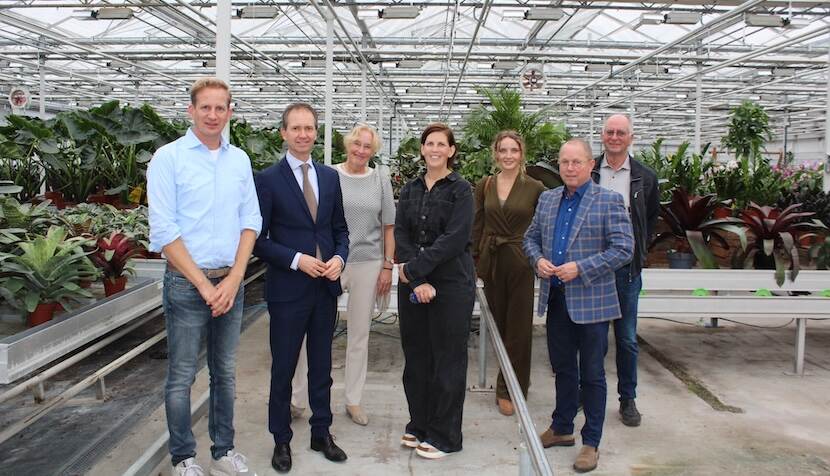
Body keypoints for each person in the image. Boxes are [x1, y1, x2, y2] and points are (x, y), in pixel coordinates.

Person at [147, 77, 262, 476]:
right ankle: (183, 456)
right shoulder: (168, 158)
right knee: (181, 374)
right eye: (206, 107)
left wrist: (234, 280)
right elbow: (164, 232)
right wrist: (203, 284)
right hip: (185, 283)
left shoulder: (239, 160)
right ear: (191, 110)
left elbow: (251, 220)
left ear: (230, 112)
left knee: (225, 372)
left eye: (221, 108)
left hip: (231, 282)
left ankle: (222, 450)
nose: (213, 115)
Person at [523, 138, 633, 473]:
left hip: (593, 303)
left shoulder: (609, 201)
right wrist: (538, 259)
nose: (570, 168)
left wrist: (581, 268)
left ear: (590, 165)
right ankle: (561, 427)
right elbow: (529, 239)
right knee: (563, 369)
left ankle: (591, 441)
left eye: (576, 162)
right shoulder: (548, 199)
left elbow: (623, 248)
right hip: (557, 300)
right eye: (565, 162)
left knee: (593, 374)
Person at [253, 103, 349, 473]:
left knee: (322, 365)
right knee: (284, 366)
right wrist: (297, 259)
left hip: (325, 286)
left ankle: (321, 431)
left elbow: (340, 229)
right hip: (289, 287)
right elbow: (259, 240)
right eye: (296, 128)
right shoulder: (268, 179)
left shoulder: (329, 177)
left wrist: (339, 258)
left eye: (309, 128)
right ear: (283, 133)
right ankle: (281, 439)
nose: (304, 134)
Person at [290, 123, 395, 426]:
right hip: (331, 262)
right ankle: (298, 398)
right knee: (313, 331)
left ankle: (354, 399)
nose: (361, 151)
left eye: (368, 147)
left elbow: (388, 226)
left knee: (359, 334)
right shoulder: (327, 174)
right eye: (357, 144)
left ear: (373, 152)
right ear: (347, 145)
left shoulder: (380, 179)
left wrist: (387, 265)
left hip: (367, 262)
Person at [395, 123, 475, 460]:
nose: (435, 149)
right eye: (429, 143)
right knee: (416, 358)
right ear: (423, 149)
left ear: (451, 150)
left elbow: (454, 240)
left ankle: (445, 435)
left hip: (451, 283)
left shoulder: (462, 190)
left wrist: (414, 270)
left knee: (448, 360)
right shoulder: (411, 188)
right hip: (415, 283)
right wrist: (416, 280)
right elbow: (401, 234)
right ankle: (420, 423)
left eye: (441, 144)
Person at [591, 114, 659, 427]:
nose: (615, 137)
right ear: (602, 136)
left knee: (627, 338)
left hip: (627, 270)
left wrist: (638, 254)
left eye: (621, 132)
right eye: (610, 132)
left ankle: (627, 398)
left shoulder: (645, 176)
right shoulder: (589, 171)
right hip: (593, 269)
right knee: (591, 337)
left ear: (631, 137)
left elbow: (650, 220)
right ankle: (587, 394)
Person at [471, 131, 545, 416]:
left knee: (519, 328)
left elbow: (540, 228)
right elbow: (477, 225)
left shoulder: (535, 187)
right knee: (498, 326)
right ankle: (508, 378)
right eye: (503, 150)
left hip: (520, 261)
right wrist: (475, 262)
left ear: (521, 153)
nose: (508, 156)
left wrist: (539, 259)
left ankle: (512, 388)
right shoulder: (485, 185)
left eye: (513, 150)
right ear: (496, 153)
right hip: (491, 260)